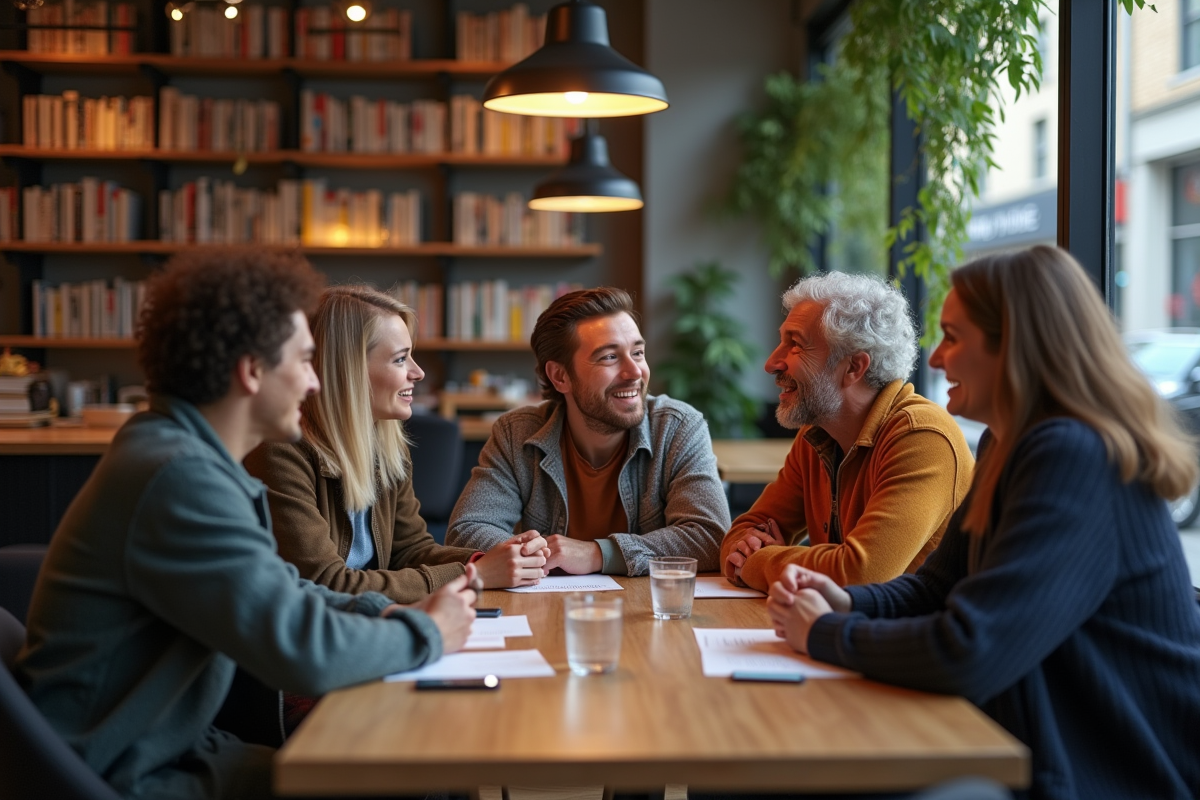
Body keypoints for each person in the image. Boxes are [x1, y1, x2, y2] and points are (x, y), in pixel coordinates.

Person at [15, 250, 477, 800]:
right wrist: (426, 633)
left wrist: (384, 609)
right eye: (305, 361)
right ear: (252, 371)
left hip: (175, 746)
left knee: (426, 766)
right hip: (132, 772)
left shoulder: (181, 456)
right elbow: (301, 651)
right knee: (412, 776)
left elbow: (285, 594)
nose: (315, 382)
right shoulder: (180, 478)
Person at [767, 246, 1200, 799]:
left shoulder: (1074, 454)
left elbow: (970, 650)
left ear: (1014, 346)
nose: (939, 358)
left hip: (1106, 773)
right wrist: (848, 600)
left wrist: (825, 631)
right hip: (1033, 743)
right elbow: (937, 589)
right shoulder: (1009, 442)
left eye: (953, 336)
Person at [244, 285, 548, 597]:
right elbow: (327, 584)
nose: (418, 372)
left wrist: (494, 559)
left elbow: (411, 550)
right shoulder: (280, 453)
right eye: (401, 359)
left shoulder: (384, 445)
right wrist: (474, 574)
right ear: (349, 370)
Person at [446, 287, 730, 577]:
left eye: (638, 352)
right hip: (546, 611)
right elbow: (466, 531)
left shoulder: (677, 427)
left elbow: (710, 537)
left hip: (647, 612)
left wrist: (597, 553)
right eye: (609, 357)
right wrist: (541, 555)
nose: (634, 372)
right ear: (560, 376)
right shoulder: (516, 434)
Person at [720, 272, 973, 590]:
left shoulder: (922, 436)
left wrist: (758, 561)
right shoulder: (818, 433)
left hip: (919, 636)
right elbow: (743, 531)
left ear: (854, 367)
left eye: (795, 344)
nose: (772, 363)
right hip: (853, 630)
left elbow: (860, 573)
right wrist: (747, 551)